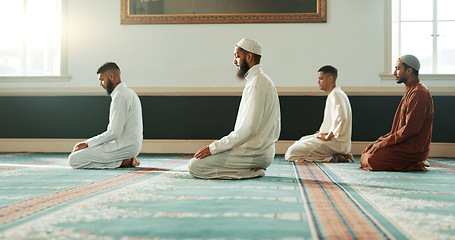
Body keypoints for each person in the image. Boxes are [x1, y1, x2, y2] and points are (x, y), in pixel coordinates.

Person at [188, 38, 281, 179]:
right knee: (200, 162)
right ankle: (249, 169)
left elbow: (249, 130)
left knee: (195, 166)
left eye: (237, 56)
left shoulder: (258, 83)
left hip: (254, 153)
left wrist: (214, 148)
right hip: (256, 152)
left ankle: (252, 171)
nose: (234, 61)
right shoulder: (258, 80)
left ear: (249, 57)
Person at [360, 55, 434, 171]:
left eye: (398, 69)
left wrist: (385, 142)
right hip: (402, 144)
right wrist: (382, 140)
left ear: (409, 71)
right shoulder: (411, 90)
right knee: (367, 152)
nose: (394, 72)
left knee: (371, 160)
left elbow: (411, 129)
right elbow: (399, 128)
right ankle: (413, 163)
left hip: (412, 148)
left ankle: (414, 163)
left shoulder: (419, 93)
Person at [69, 62, 143, 169]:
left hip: (124, 147)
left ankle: (124, 161)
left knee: (74, 160)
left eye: (102, 79)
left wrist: (87, 143)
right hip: (128, 146)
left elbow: (114, 133)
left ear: (111, 77)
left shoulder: (121, 96)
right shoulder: (128, 92)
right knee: (83, 154)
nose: (100, 84)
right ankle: (123, 160)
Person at [285, 65, 353, 163]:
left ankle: (334, 158)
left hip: (336, 143)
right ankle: (337, 155)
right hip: (333, 141)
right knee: (302, 140)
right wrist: (323, 133)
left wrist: (328, 135)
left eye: (321, 79)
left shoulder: (336, 94)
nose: (318, 82)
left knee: (291, 153)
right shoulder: (336, 93)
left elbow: (341, 117)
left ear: (330, 79)